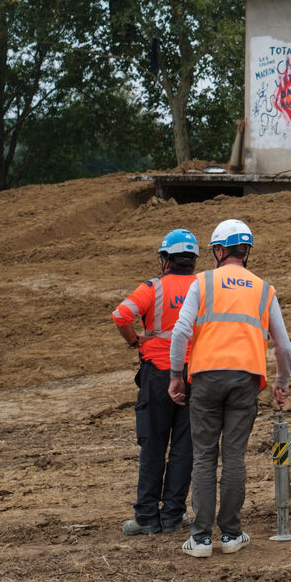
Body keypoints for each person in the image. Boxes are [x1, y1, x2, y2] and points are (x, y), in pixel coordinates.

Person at [168, 220, 291, 558]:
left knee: (204, 456)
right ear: (245, 251)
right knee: (234, 457)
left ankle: (201, 540)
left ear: (220, 251)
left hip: (206, 377)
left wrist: (176, 375)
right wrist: (281, 383)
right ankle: (232, 534)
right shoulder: (264, 290)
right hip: (246, 379)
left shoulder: (203, 282)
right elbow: (284, 347)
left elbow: (181, 332)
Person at [111, 229, 201, 536]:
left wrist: (134, 340)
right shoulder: (204, 287)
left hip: (158, 375)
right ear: (193, 259)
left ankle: (147, 517)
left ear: (166, 259)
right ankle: (174, 515)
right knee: (184, 447)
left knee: (153, 444)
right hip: (195, 374)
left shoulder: (154, 288)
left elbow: (121, 315)